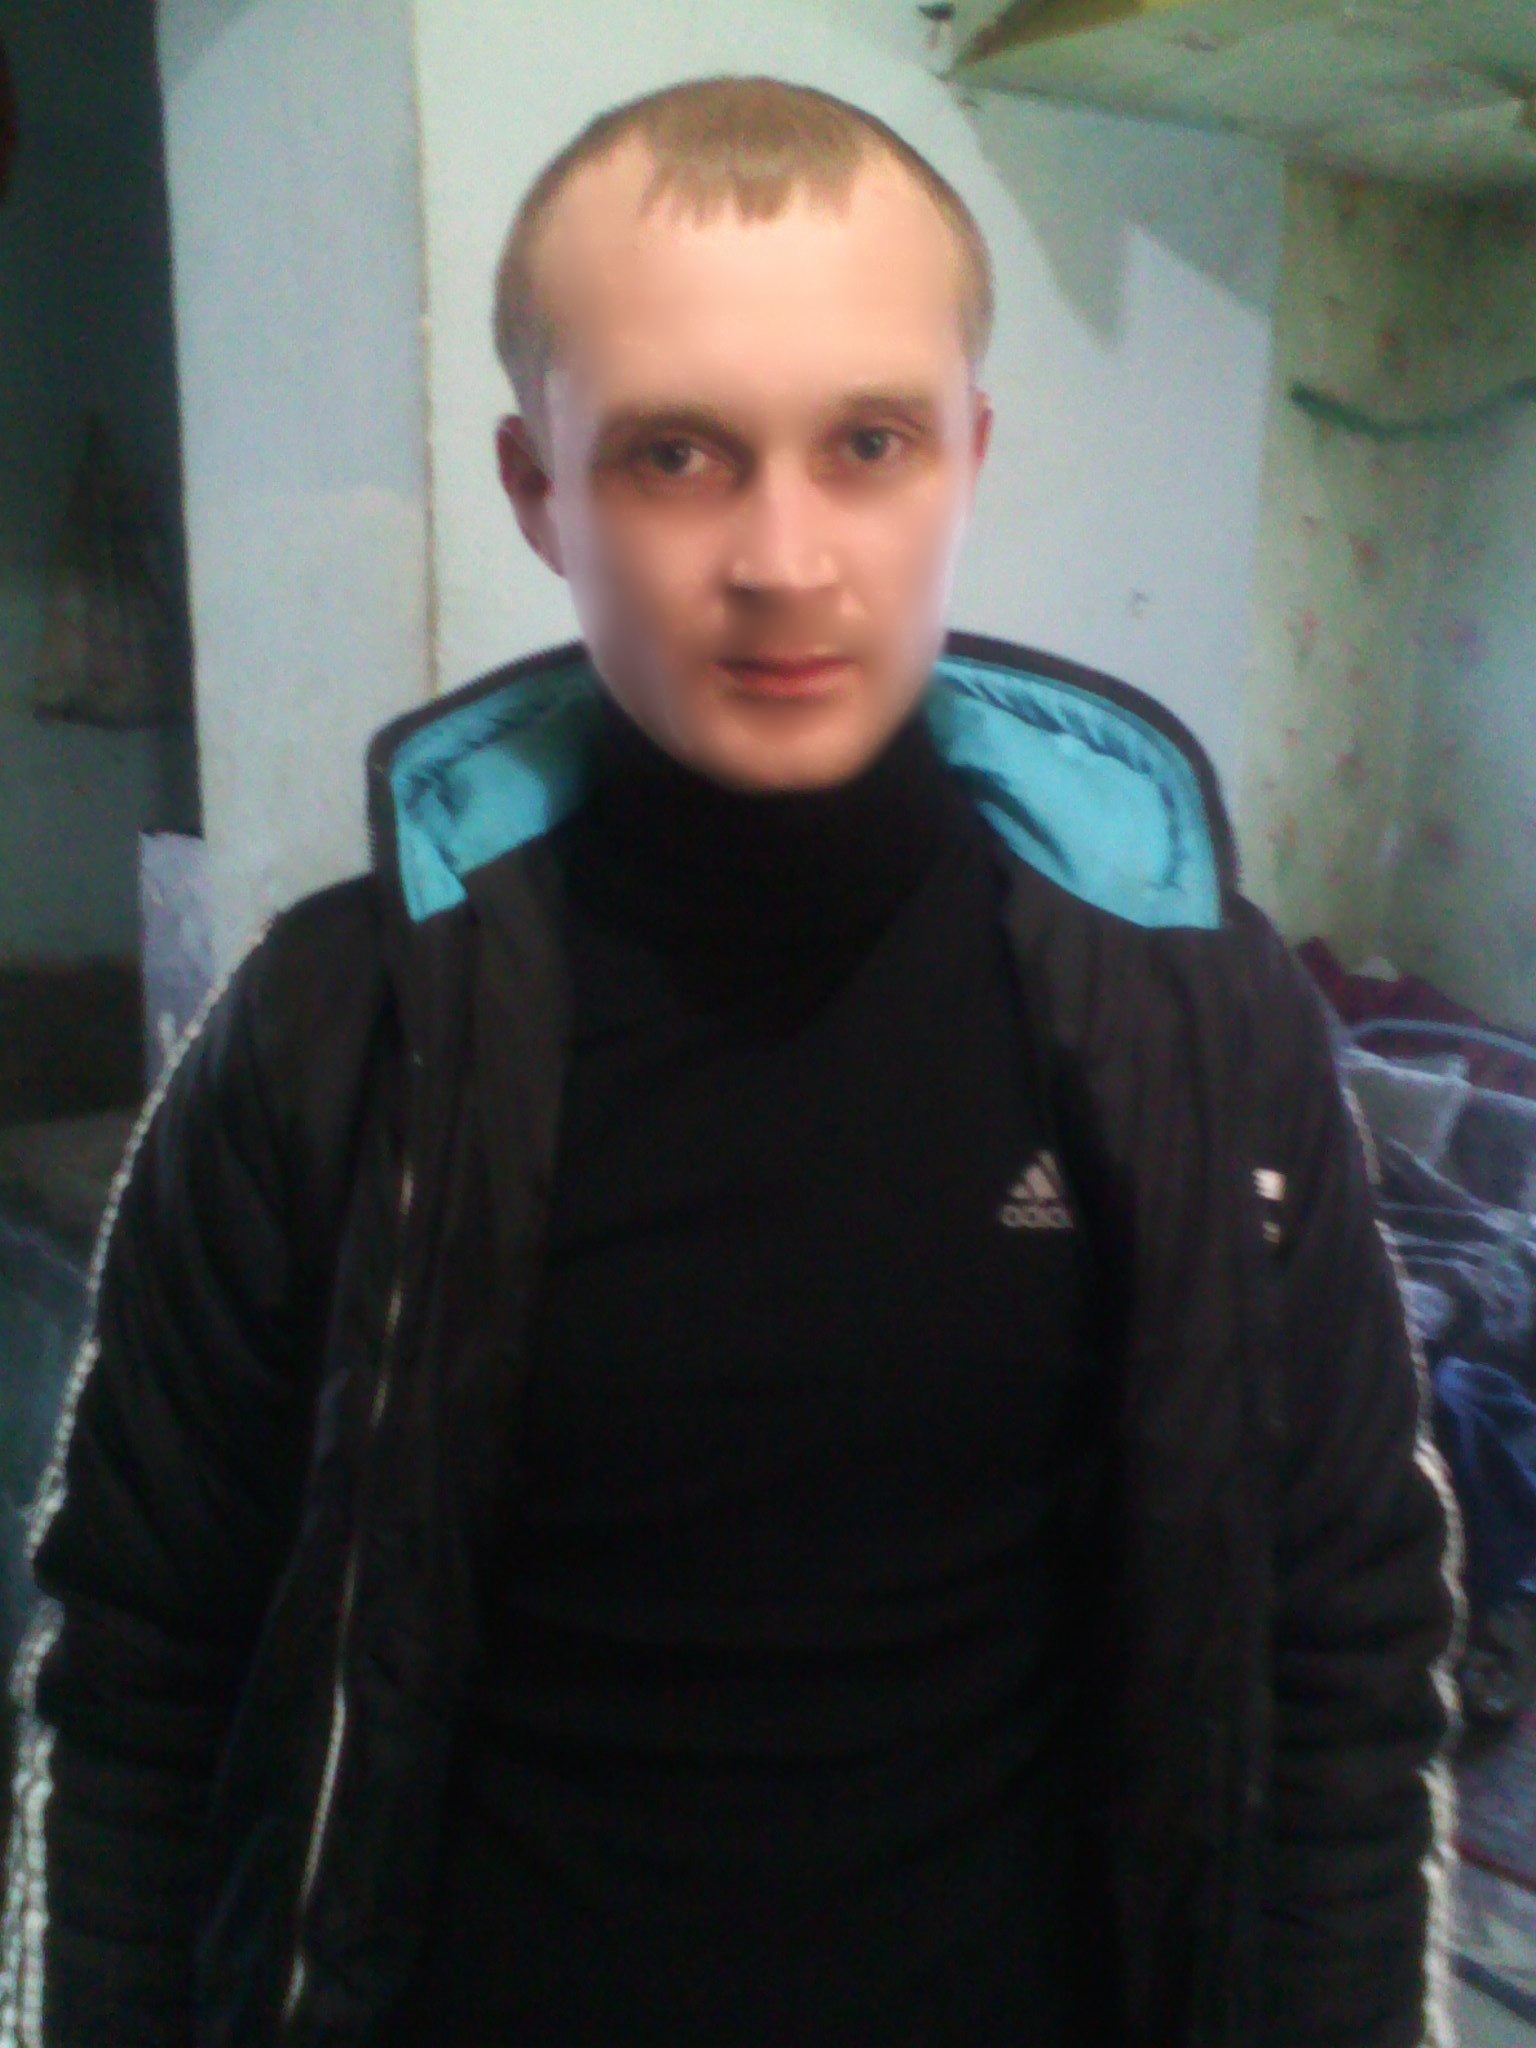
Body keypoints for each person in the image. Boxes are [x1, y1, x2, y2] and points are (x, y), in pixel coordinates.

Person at [0, 74, 1465, 2048]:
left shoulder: (1203, 1026)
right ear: (538, 489)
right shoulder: (331, 1031)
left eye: (868, 443)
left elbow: (1348, 1644)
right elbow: (137, 1669)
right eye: (676, 454)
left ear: (968, 455)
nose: (784, 558)